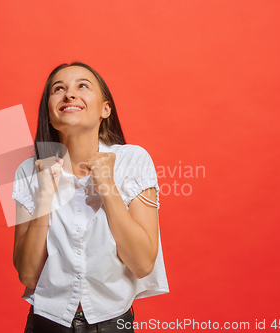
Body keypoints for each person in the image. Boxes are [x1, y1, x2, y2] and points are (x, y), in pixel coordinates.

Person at [11, 62, 169, 333]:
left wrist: (107, 186)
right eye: (58, 89)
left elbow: (142, 264)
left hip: (112, 325)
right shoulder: (29, 170)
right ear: (49, 114)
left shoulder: (134, 161)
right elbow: (27, 274)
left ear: (105, 109)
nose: (69, 94)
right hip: (46, 324)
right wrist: (45, 196)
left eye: (82, 86)